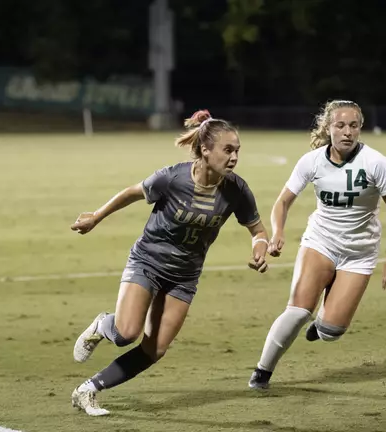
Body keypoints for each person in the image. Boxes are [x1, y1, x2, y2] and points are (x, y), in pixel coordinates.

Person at [69, 109, 271, 416]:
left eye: (237, 151)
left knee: (155, 349)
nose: (234, 157)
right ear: (206, 150)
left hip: (185, 277)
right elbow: (132, 193)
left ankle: (88, 390)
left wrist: (260, 248)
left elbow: (257, 229)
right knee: (125, 334)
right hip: (148, 263)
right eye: (228, 150)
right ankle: (103, 324)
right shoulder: (173, 177)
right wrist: (95, 217)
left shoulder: (237, 190)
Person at [248, 100, 386, 389]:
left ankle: (323, 322)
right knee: (297, 310)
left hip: (359, 252)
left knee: (332, 331)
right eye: (340, 125)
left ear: (360, 128)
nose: (347, 132)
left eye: (354, 126)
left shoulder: (376, 162)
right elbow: (282, 202)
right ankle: (262, 371)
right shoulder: (312, 161)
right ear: (328, 128)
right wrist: (278, 232)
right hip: (320, 242)